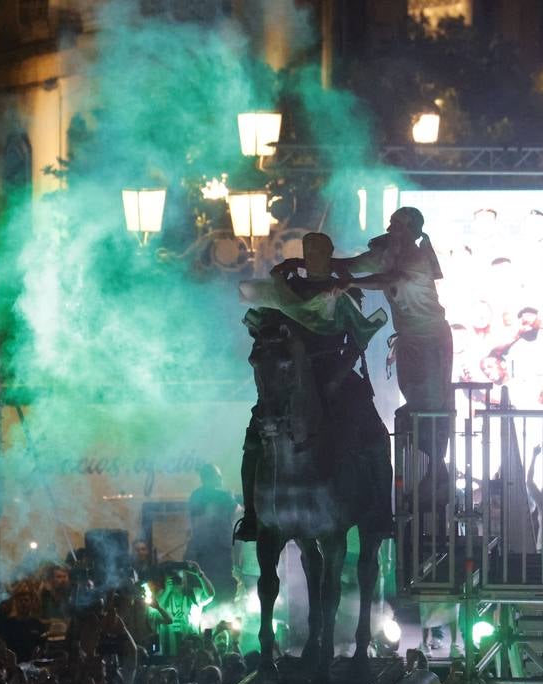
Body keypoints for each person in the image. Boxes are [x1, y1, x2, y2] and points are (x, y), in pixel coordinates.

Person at [236, 231, 391, 541]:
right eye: (308, 250)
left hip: (336, 372)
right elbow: (266, 324)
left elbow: (356, 339)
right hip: (289, 377)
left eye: (319, 249)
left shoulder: (342, 294)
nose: (313, 255)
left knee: (376, 435)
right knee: (255, 436)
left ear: (328, 252)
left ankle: (382, 511)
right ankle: (253, 515)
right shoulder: (288, 289)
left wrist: (337, 376)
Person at [334, 207, 453, 496]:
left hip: (431, 340)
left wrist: (351, 281)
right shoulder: (387, 254)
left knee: (431, 405)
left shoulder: (417, 256)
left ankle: (437, 470)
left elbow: (390, 280)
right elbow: (353, 264)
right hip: (410, 340)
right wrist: (316, 264)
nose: (390, 230)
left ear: (411, 230)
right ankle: (430, 469)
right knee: (413, 399)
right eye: (391, 224)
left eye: (397, 225)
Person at [185, 465, 236, 602]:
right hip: (220, 551)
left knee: (201, 590)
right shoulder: (224, 496)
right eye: (218, 476)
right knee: (223, 591)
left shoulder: (195, 495)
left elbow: (193, 521)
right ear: (210, 477)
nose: (221, 478)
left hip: (200, 551)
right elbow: (236, 512)